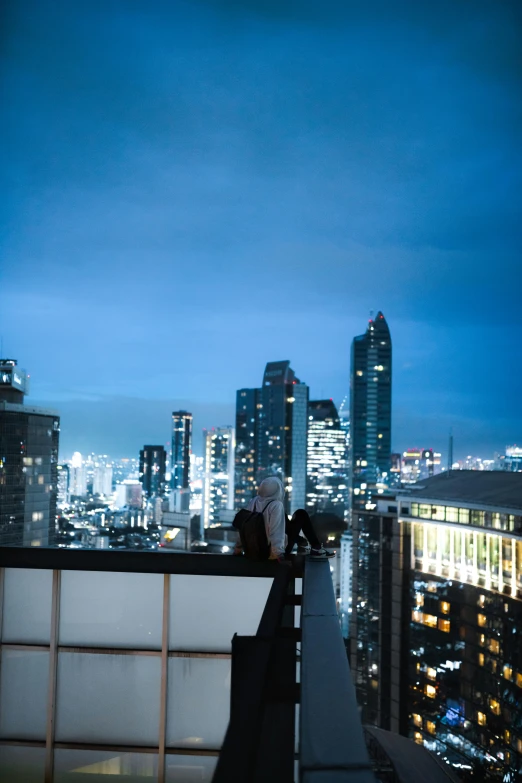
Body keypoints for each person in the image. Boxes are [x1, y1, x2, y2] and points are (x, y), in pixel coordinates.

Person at [235, 476, 334, 561]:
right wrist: (278, 555)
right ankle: (316, 548)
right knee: (301, 514)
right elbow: (276, 531)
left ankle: (302, 542)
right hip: (269, 553)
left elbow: (244, 526)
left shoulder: (254, 501)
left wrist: (238, 549)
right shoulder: (276, 505)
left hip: (254, 552)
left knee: (285, 517)